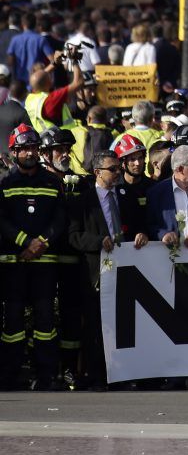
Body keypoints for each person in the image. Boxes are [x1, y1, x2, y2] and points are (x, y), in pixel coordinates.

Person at [67, 150, 149, 391]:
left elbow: (140, 225)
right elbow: (74, 236)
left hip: (126, 269)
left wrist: (142, 234)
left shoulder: (127, 195)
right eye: (112, 169)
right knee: (96, 325)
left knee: (125, 323)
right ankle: (98, 376)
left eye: (118, 168)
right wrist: (97, 242)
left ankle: (124, 374)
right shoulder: (82, 201)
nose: (117, 173)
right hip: (95, 272)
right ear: (97, 172)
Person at [0, 125, 67, 391]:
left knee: (45, 321)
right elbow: (1, 220)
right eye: (24, 148)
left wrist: (42, 242)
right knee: (13, 322)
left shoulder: (52, 182)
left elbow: (60, 219)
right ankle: (10, 375)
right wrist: (25, 242)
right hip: (13, 262)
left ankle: (46, 375)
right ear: (14, 151)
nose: (30, 153)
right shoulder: (5, 183)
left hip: (45, 263)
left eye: (33, 148)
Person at [25, 60, 84, 133]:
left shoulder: (30, 98)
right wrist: (75, 61)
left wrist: (55, 63)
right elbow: (79, 82)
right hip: (64, 139)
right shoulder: (52, 99)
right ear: (49, 82)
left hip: (44, 140)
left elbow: (39, 78)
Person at [6, 14, 53, 83]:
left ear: (22, 24)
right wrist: (43, 73)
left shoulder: (15, 40)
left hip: (20, 82)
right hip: (37, 81)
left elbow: (10, 62)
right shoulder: (40, 39)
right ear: (35, 24)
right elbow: (53, 60)